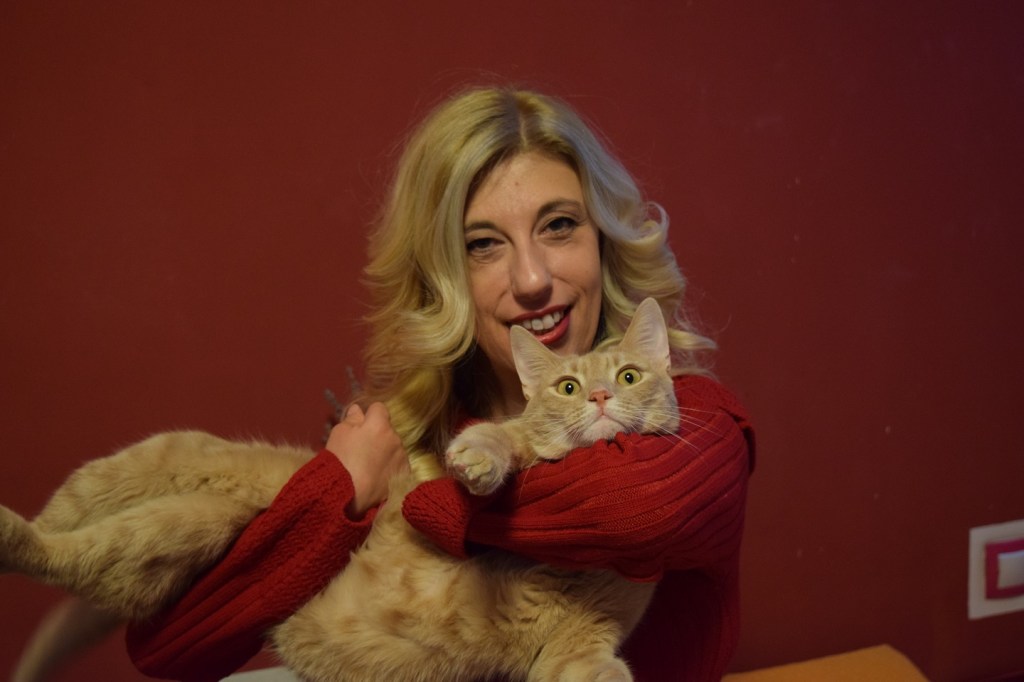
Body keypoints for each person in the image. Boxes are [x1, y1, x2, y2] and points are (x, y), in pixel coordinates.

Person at [23, 86, 755, 682]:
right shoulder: (415, 435)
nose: (533, 278)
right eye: (483, 244)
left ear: (603, 241)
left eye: (559, 225)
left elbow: (631, 514)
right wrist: (333, 494)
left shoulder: (698, 426)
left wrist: (439, 504)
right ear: (444, 277)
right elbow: (169, 649)